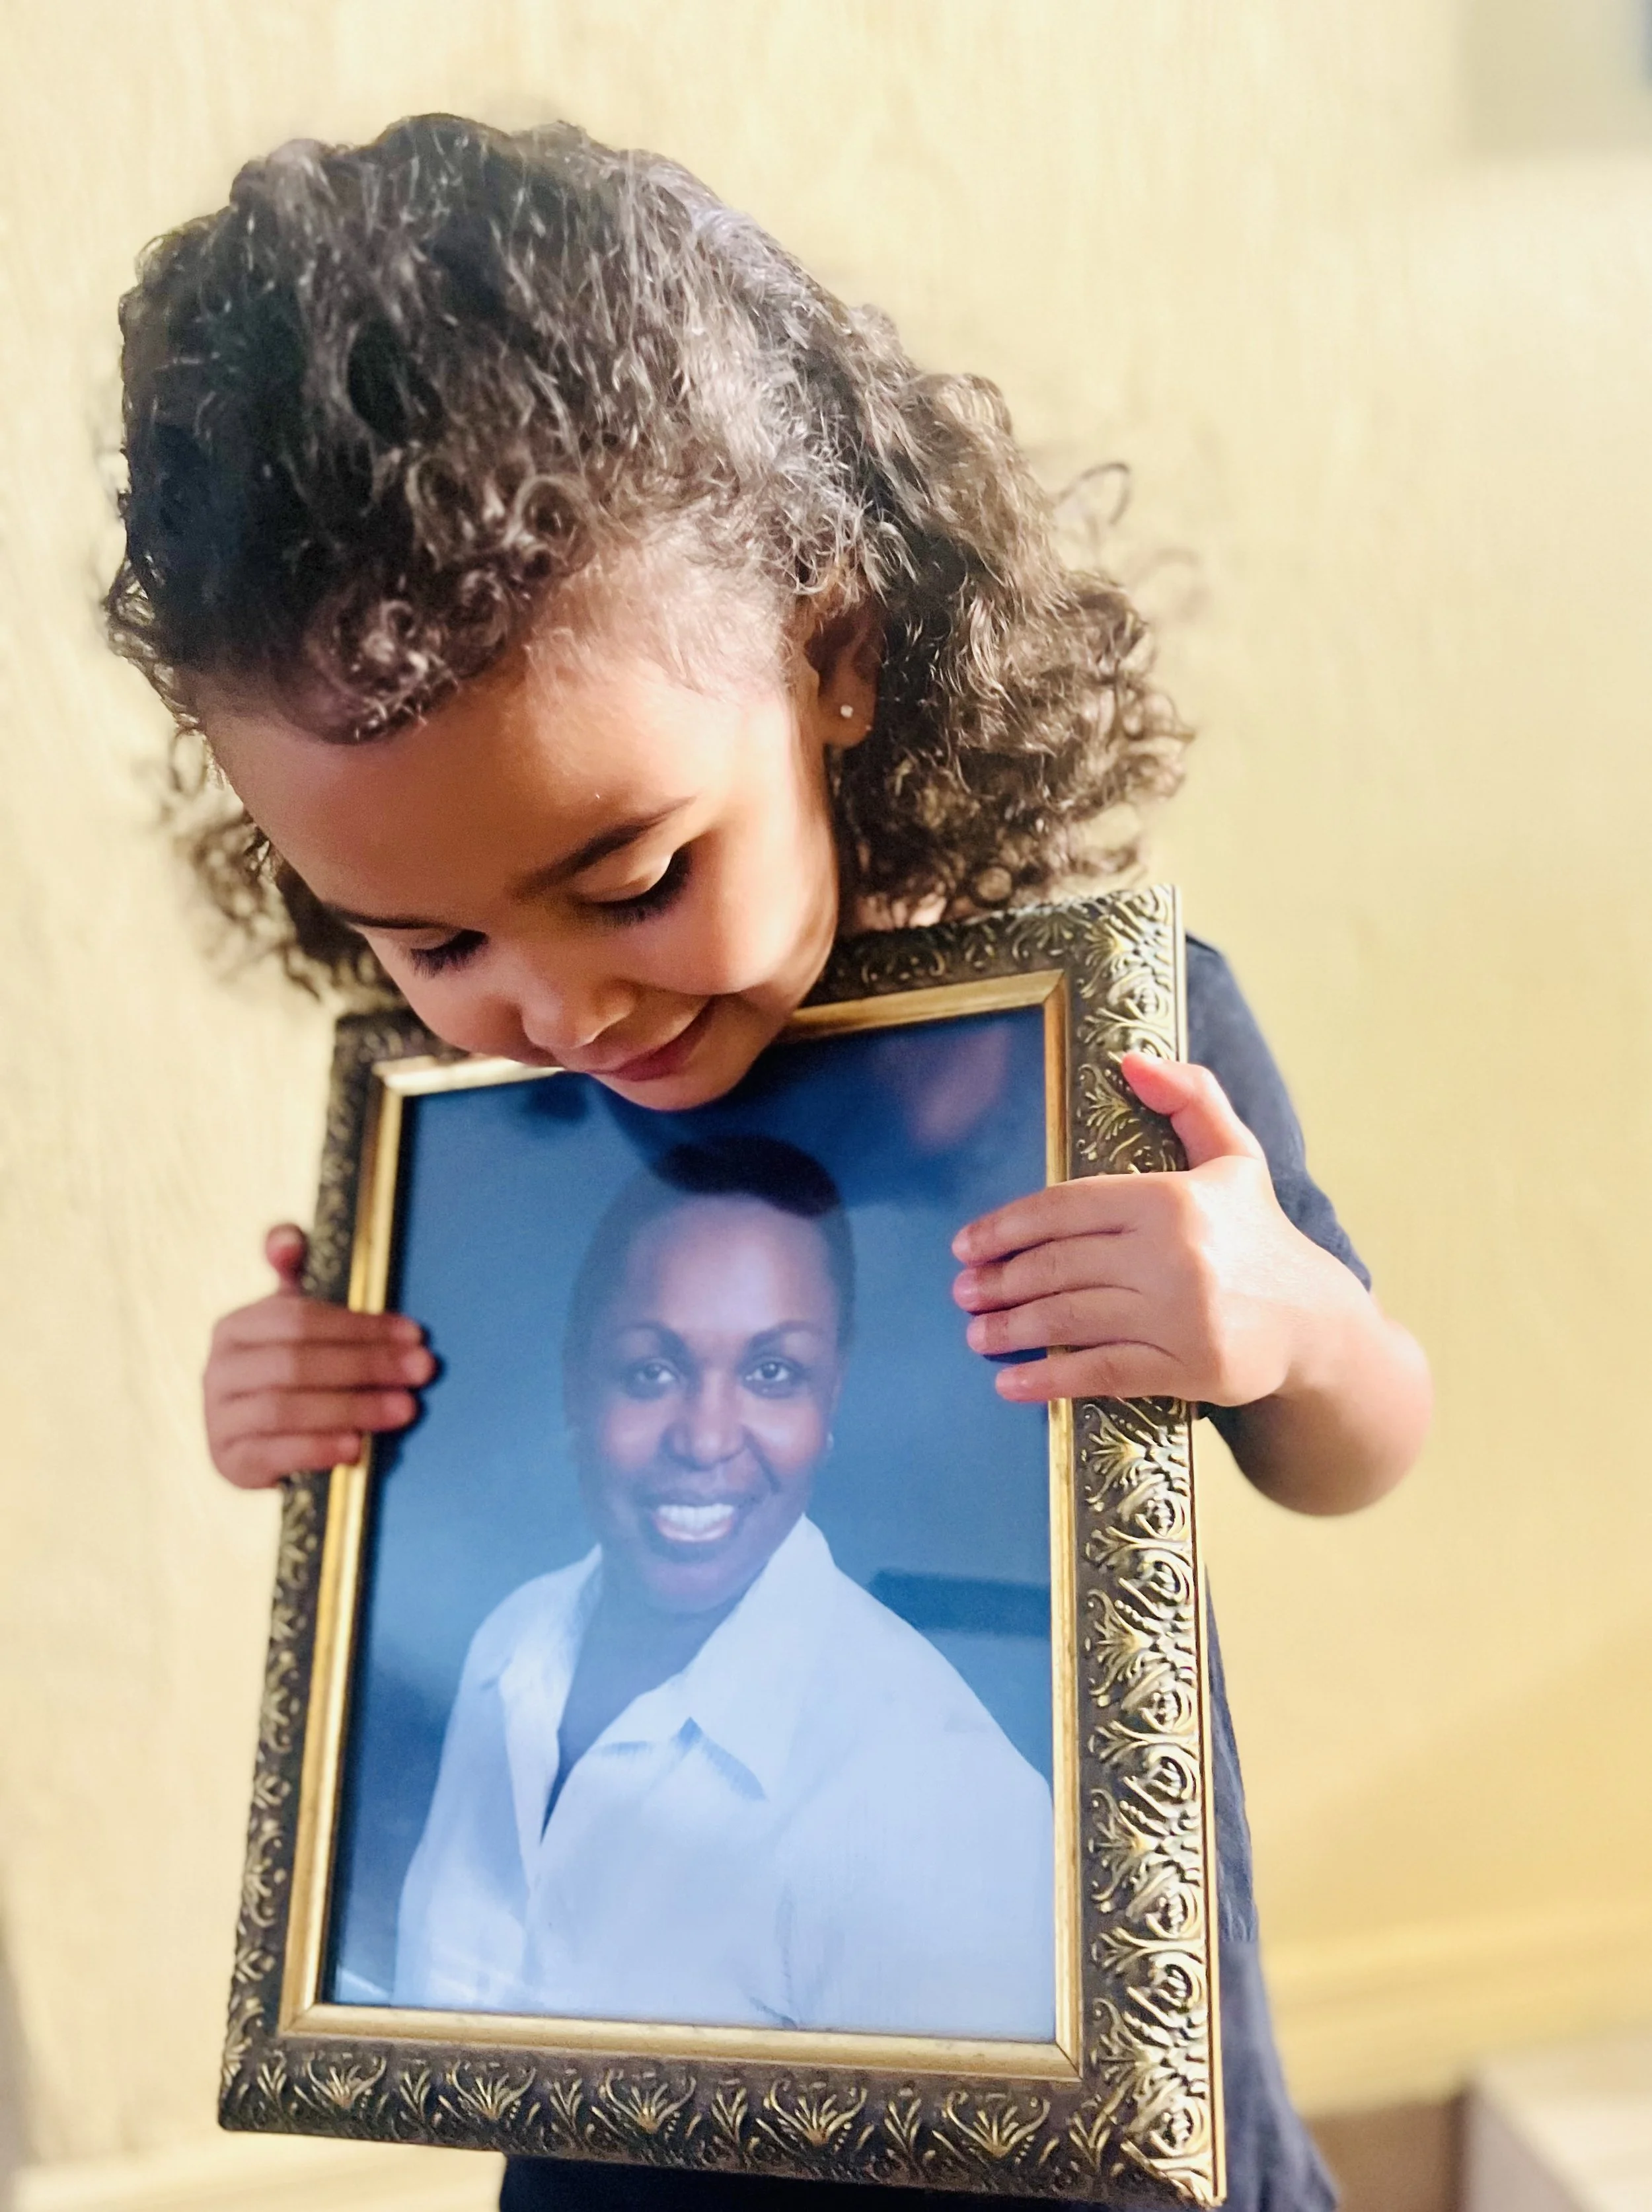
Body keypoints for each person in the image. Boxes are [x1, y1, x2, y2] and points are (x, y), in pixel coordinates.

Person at [104, 116, 1431, 2210]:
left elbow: (1362, 1440)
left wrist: (1279, 1319)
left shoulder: (1115, 1060)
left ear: (834, 651)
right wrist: (311, 1412)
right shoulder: (490, 1163)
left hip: (1090, 2147)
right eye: (431, 943)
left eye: (627, 877)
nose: (556, 1012)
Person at [394, 1133, 1055, 2039]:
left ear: (831, 1402)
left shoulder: (939, 1798)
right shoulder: (510, 1646)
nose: (706, 1438)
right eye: (651, 1370)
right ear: (574, 1384)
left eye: (772, 1372)